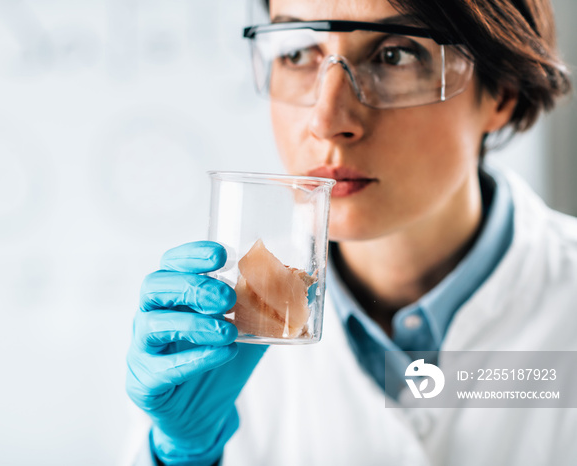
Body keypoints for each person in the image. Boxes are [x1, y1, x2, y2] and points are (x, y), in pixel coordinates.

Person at [125, 0, 575, 464]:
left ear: (501, 91)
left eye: (395, 54)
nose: (326, 119)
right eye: (298, 52)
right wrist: (184, 454)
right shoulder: (218, 326)